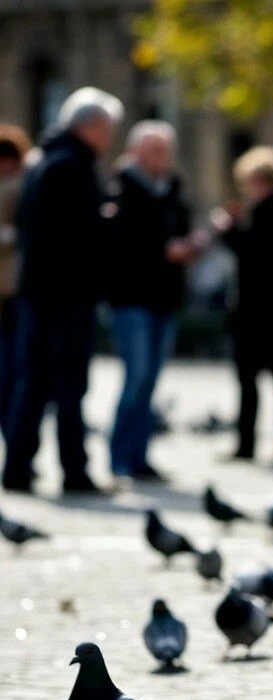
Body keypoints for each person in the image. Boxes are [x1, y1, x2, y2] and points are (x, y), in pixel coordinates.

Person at [3, 87, 123, 495]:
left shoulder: (40, 160)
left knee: (32, 382)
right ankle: (74, 471)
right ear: (90, 127)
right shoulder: (72, 165)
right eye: (107, 129)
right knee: (69, 384)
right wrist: (105, 219)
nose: (110, 138)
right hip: (67, 293)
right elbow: (75, 233)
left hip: (36, 289)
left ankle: (18, 467)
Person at [105, 121, 196, 483]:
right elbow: (118, 244)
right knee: (136, 376)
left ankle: (139, 457)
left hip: (165, 297)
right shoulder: (119, 188)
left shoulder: (174, 188)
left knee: (150, 381)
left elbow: (181, 231)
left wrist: (190, 247)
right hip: (130, 297)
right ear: (136, 152)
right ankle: (119, 459)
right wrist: (162, 251)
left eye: (165, 150)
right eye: (154, 149)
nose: (162, 157)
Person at [216, 146, 273, 464]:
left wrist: (228, 231)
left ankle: (253, 444)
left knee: (267, 379)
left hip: (264, 310)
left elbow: (255, 255)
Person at [0, 124, 30, 445]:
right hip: (11, 290)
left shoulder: (23, 184)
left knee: (14, 370)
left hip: (16, 290)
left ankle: (15, 439)